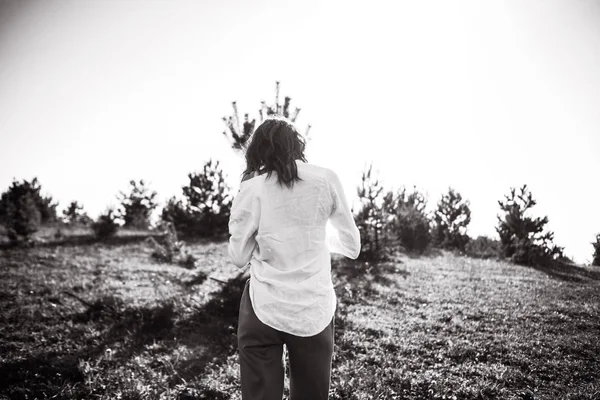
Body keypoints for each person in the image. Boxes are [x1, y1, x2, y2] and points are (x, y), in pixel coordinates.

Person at [228, 115, 361, 400]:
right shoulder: (326, 178)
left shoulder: (252, 187)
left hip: (262, 307)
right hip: (313, 308)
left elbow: (238, 257)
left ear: (257, 151)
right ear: (298, 145)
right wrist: (312, 238)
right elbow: (352, 246)